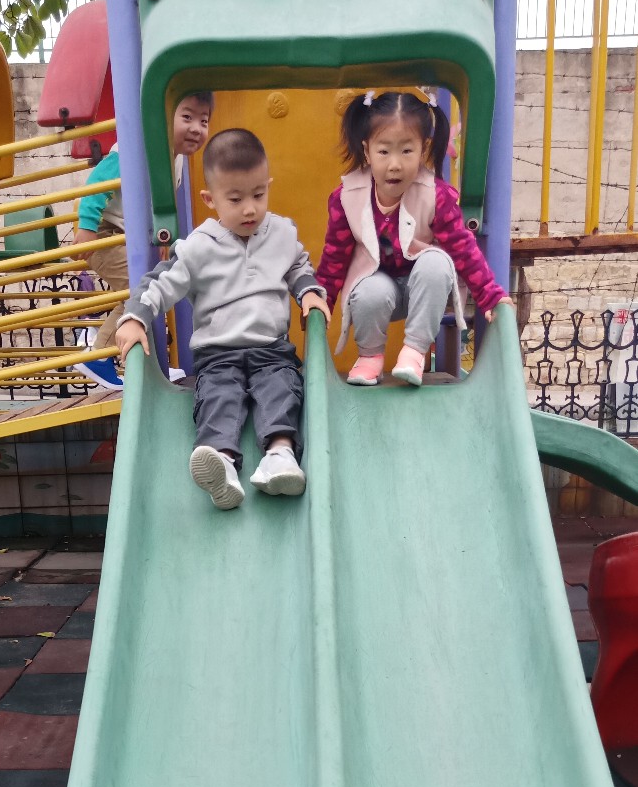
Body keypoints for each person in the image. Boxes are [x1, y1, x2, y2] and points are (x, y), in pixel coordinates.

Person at [116, 129, 330, 510]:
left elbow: (298, 267)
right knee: (218, 397)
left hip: (272, 349)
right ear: (210, 199)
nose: (249, 209)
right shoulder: (199, 247)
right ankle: (222, 464)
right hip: (218, 354)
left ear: (268, 186)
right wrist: (135, 318)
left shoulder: (282, 232)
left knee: (282, 390)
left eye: (258, 195)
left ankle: (280, 456)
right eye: (235, 199)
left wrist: (309, 292)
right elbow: (161, 283)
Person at [316, 89, 513, 387]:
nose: (395, 164)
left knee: (436, 263)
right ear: (367, 151)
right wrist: (322, 303)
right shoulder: (347, 198)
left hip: (424, 291)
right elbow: (335, 258)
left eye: (406, 151)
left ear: (423, 150)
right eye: (384, 152)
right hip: (378, 291)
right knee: (369, 290)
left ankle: (414, 352)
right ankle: (370, 357)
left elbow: (463, 249)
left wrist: (490, 296)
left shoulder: (435, 196)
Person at [74, 92, 214, 391]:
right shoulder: (137, 147)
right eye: (187, 117)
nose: (196, 128)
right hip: (103, 233)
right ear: (161, 118)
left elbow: (159, 203)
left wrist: (162, 236)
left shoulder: (176, 159)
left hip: (128, 236)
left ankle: (143, 365)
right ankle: (99, 356)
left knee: (151, 289)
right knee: (143, 290)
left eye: (204, 121)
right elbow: (99, 182)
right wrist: (86, 227)